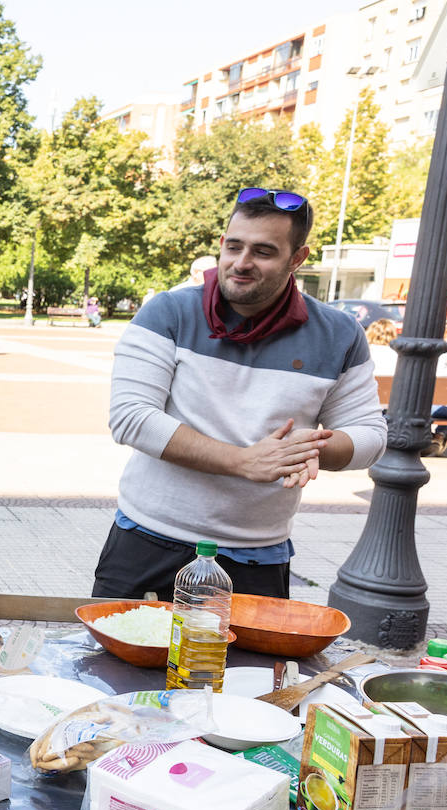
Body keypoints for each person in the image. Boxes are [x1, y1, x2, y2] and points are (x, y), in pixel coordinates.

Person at [93, 187, 386, 601]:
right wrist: (243, 461)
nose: (241, 263)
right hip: (148, 543)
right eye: (234, 246)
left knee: (246, 670)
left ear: (297, 258)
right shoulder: (168, 312)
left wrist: (313, 448)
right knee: (116, 666)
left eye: (263, 251)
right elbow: (131, 418)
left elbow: (371, 436)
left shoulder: (339, 335)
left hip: (257, 559)